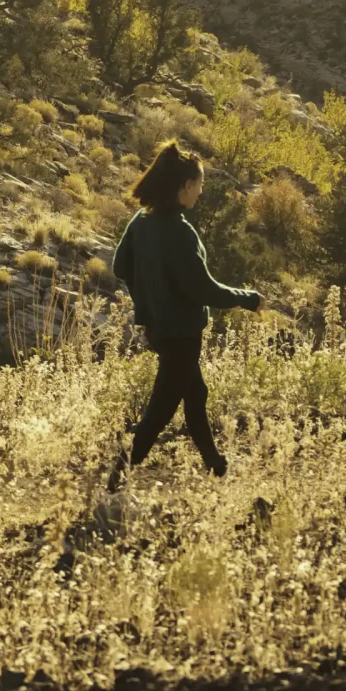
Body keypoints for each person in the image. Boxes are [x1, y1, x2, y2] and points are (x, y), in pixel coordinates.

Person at [107, 141, 263, 490]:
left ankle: (218, 467)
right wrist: (247, 298)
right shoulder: (179, 231)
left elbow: (120, 266)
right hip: (181, 334)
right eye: (199, 184)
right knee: (159, 413)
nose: (202, 191)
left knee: (195, 395)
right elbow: (204, 290)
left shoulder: (140, 221)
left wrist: (148, 295)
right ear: (184, 187)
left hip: (158, 329)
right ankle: (115, 481)